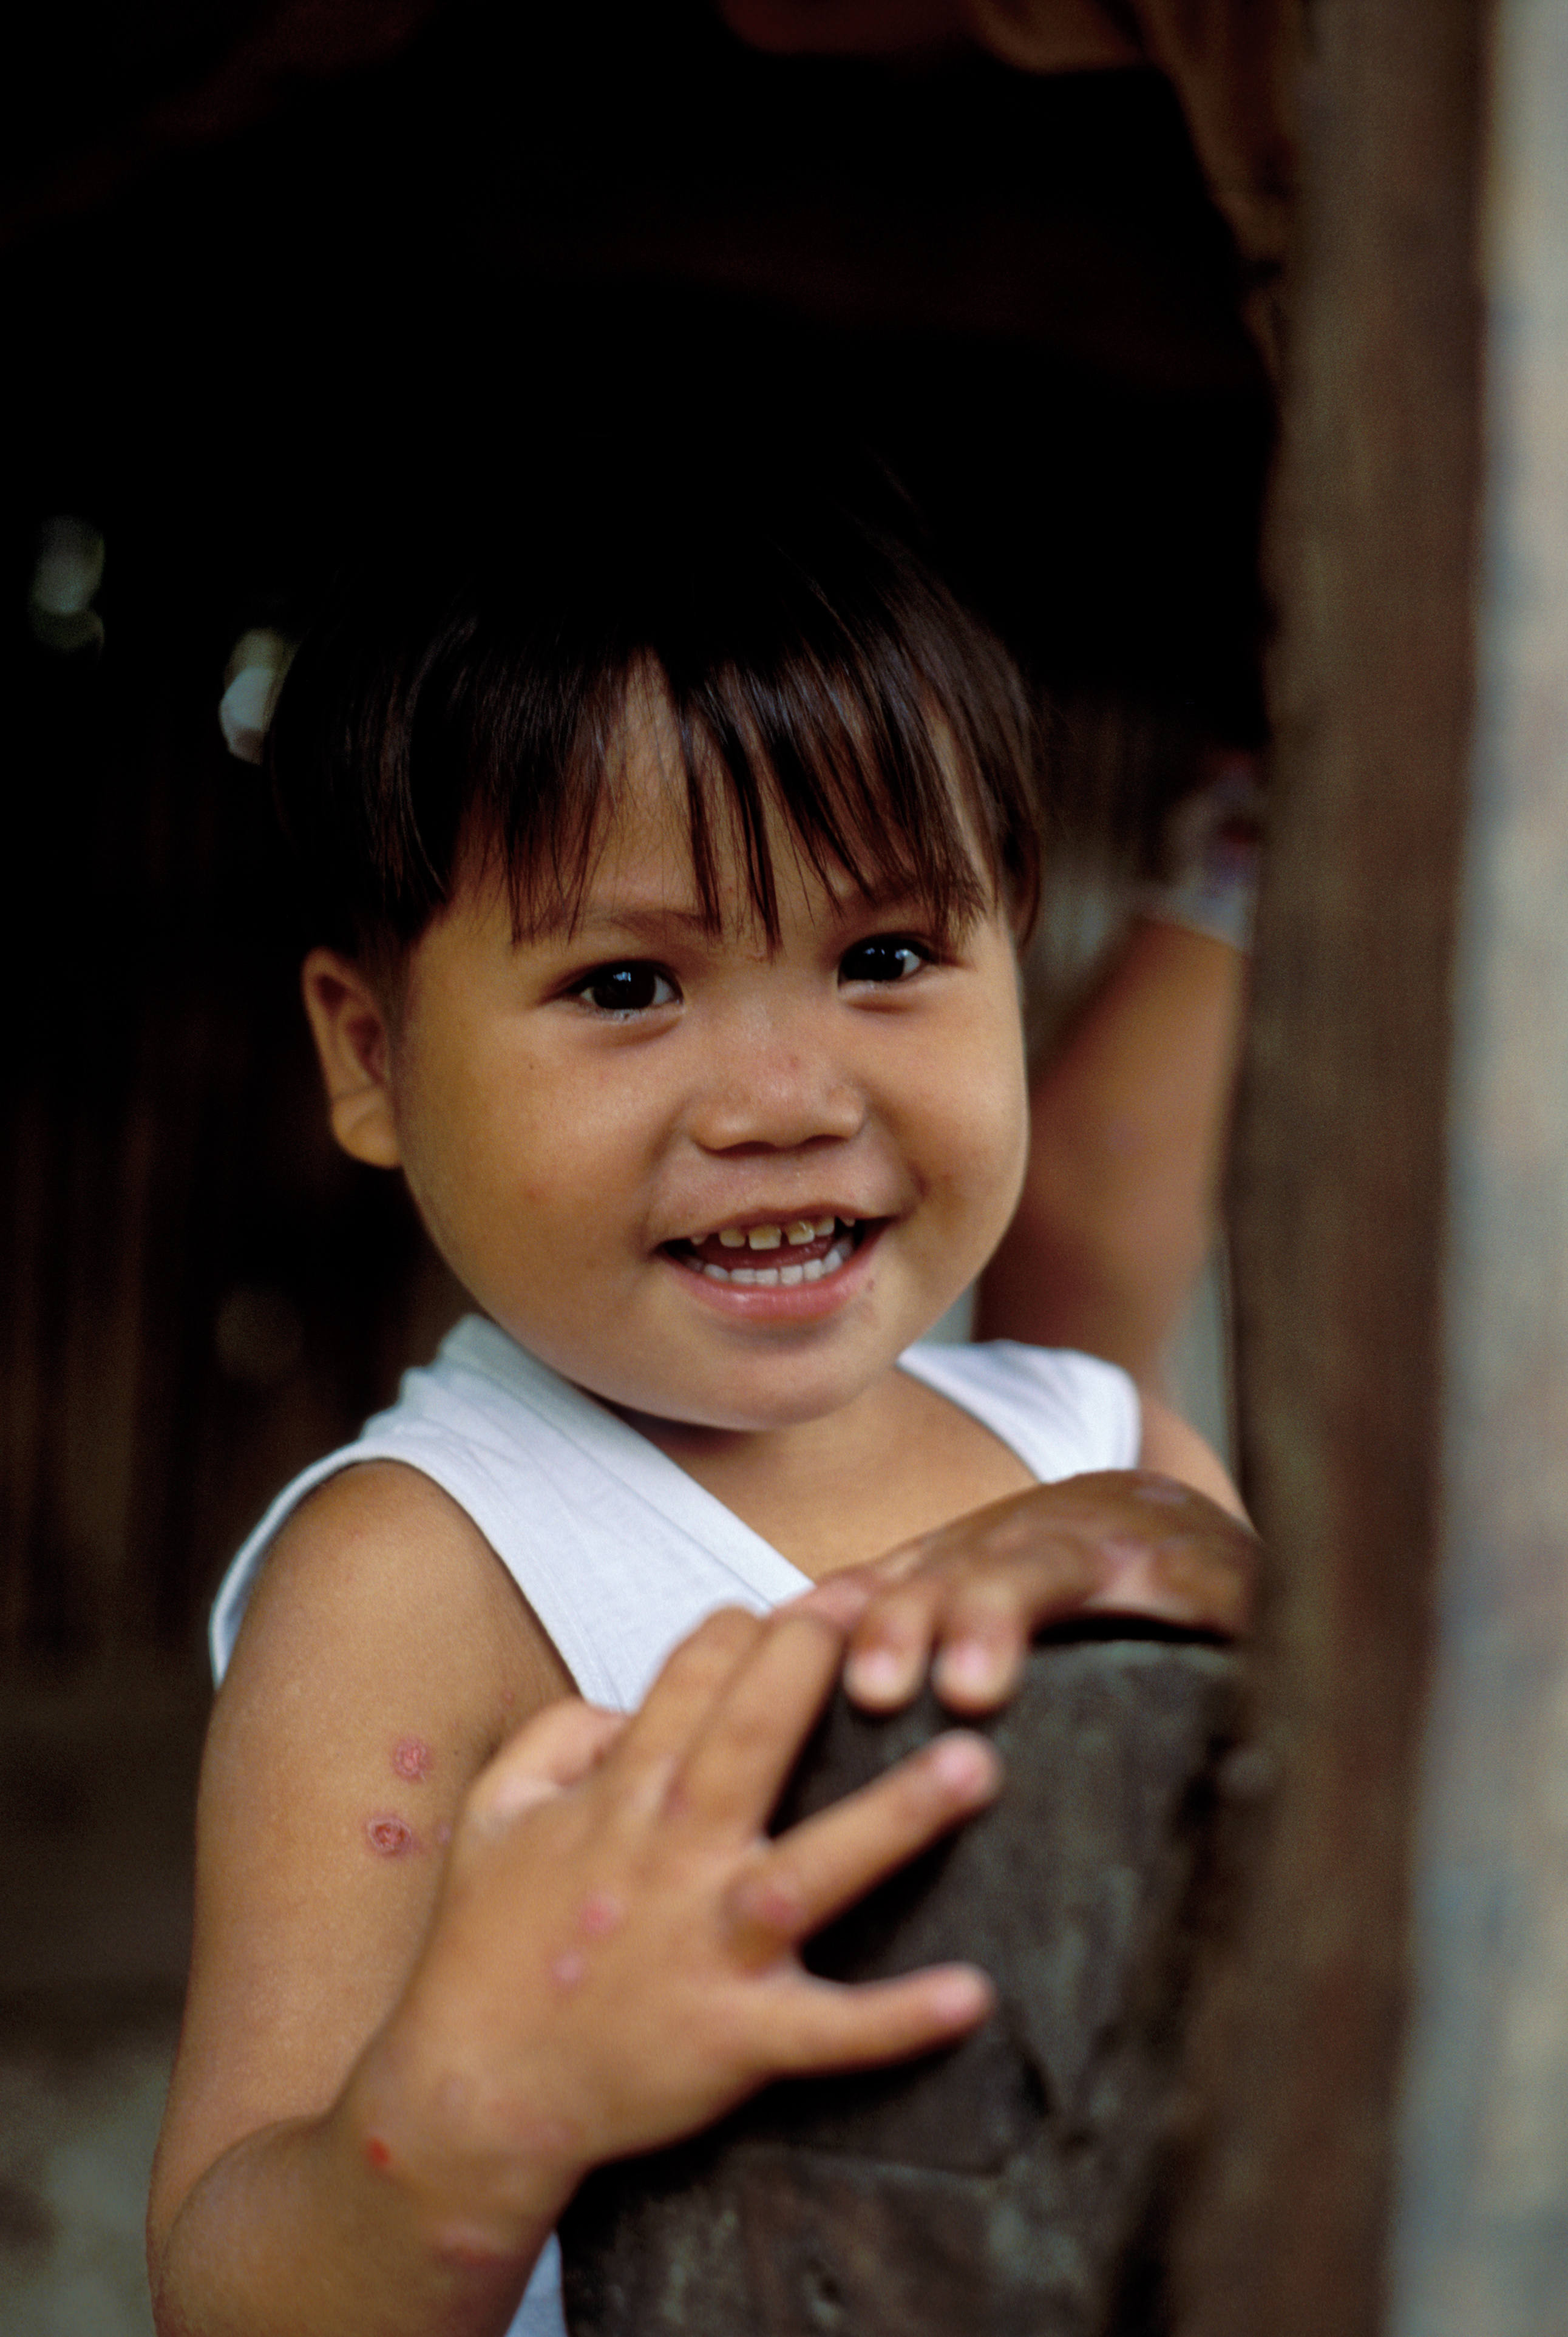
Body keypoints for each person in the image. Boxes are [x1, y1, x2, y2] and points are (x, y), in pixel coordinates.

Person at [148, 445, 1252, 2337]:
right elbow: (227, 2284)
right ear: (370, 1055)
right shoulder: (420, 1572)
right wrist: (485, 2104)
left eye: (887, 955)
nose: (784, 1099)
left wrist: (1207, 1567)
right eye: (626, 986)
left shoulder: (1111, 1447)